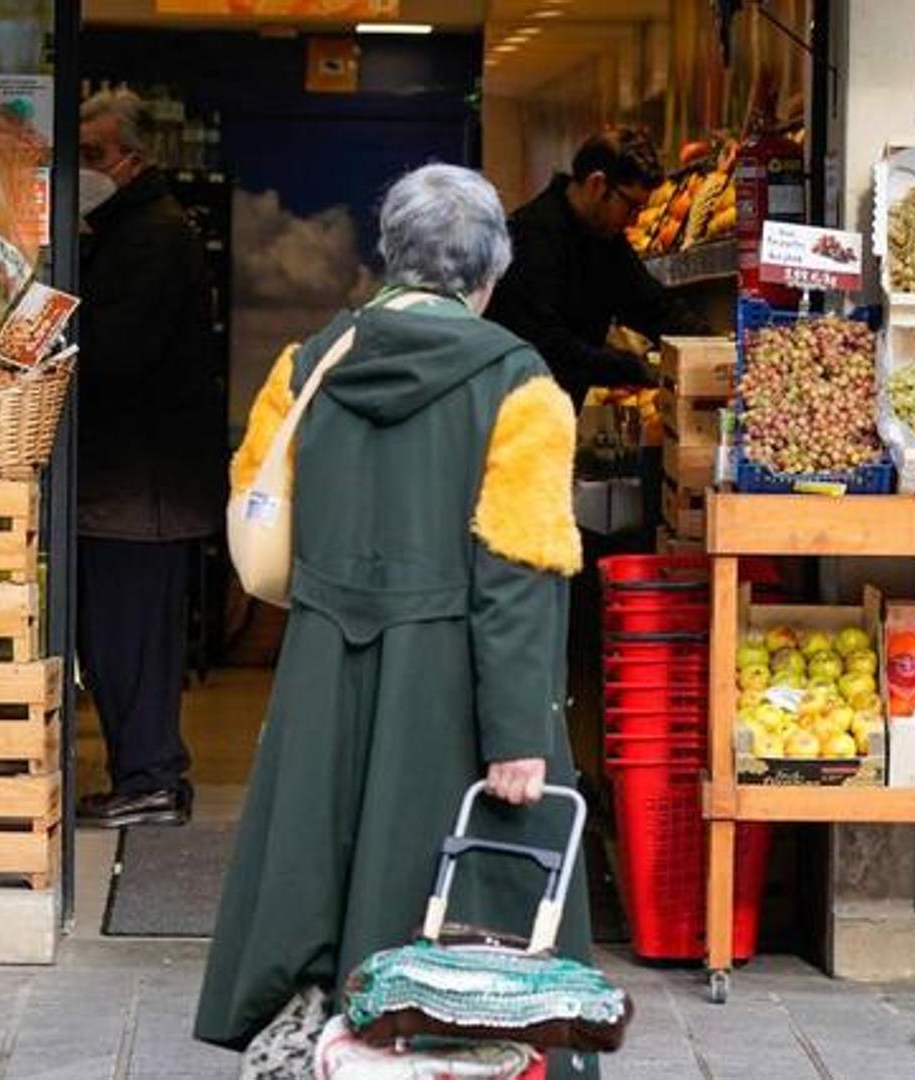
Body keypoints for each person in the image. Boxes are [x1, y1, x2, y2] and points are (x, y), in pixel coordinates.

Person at [196, 164, 600, 1078]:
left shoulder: (306, 365)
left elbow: (258, 492)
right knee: (464, 897)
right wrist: (517, 732)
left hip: (323, 666)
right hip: (452, 684)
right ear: (490, 269)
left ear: (391, 259)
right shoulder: (522, 389)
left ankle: (322, 1048)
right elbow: (520, 565)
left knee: (320, 876)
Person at [74, 88, 222, 828]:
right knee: (118, 637)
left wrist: (53, 338)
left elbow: (119, 354)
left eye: (95, 154)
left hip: (142, 490)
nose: (84, 167)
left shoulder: (154, 236)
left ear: (136, 158)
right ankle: (146, 774)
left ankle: (152, 779)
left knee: (129, 639)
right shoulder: (128, 229)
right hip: (132, 486)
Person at [485, 127, 709, 406]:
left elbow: (653, 307)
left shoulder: (605, 240)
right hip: (507, 417)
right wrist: (632, 368)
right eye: (631, 207)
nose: (634, 220)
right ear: (597, 185)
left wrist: (712, 347)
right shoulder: (533, 236)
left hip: (549, 418)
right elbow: (545, 345)